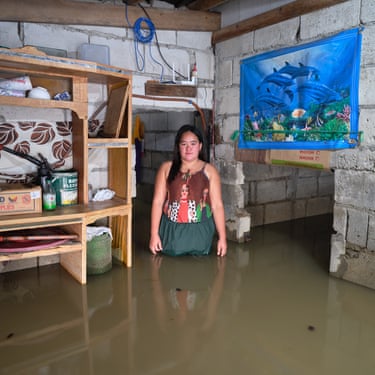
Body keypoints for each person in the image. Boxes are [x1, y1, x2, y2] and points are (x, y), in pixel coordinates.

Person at [149, 124, 227, 256]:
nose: (188, 148)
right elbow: (157, 202)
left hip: (200, 233)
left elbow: (217, 206)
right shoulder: (167, 168)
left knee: (201, 270)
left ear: (200, 146)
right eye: (184, 144)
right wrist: (154, 234)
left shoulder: (210, 171)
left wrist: (222, 238)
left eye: (193, 143)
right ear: (178, 147)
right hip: (172, 233)